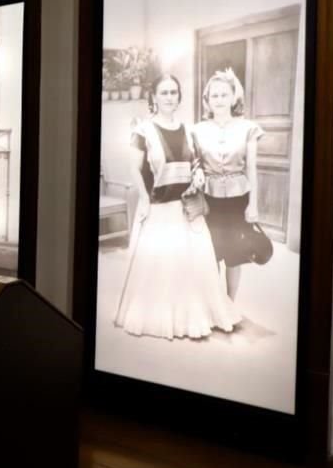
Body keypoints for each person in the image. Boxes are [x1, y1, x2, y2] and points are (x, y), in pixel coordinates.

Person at [113, 74, 241, 339]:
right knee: (163, 266)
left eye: (173, 92)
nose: (169, 97)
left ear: (179, 97)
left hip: (187, 209)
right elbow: (134, 169)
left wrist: (198, 176)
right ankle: (163, 318)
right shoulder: (143, 131)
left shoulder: (189, 130)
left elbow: (196, 164)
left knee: (195, 266)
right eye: (164, 92)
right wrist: (145, 200)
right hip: (158, 208)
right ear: (154, 97)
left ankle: (196, 314)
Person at [192, 68, 265, 301]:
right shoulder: (197, 130)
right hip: (208, 200)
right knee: (210, 251)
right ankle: (215, 306)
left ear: (234, 97)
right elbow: (193, 164)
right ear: (207, 100)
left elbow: (251, 169)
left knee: (235, 253)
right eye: (214, 96)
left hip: (238, 198)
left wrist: (253, 205)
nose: (220, 100)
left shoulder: (248, 128)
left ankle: (230, 303)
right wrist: (197, 173)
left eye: (224, 95)